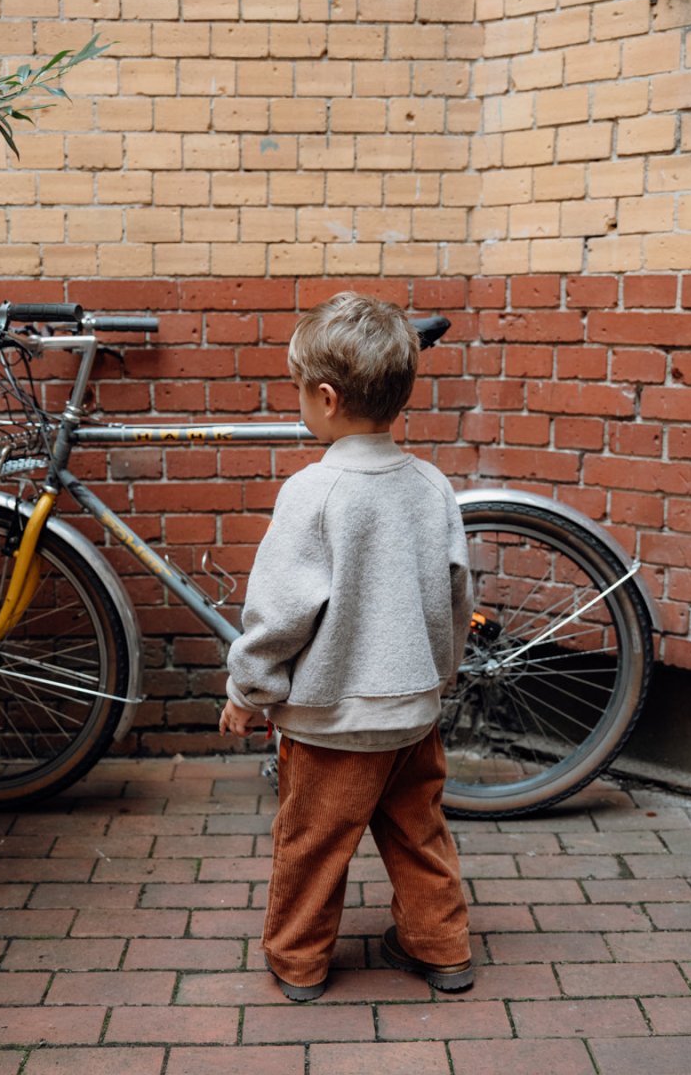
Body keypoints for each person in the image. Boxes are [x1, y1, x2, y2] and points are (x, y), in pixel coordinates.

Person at [219, 291, 473, 1002]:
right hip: (412, 715)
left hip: (331, 723)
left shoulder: (314, 492)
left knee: (312, 844)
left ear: (326, 399)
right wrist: (439, 678)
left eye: (300, 390)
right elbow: (456, 598)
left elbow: (279, 616)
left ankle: (298, 961)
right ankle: (441, 947)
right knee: (420, 835)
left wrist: (248, 692)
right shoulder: (432, 486)